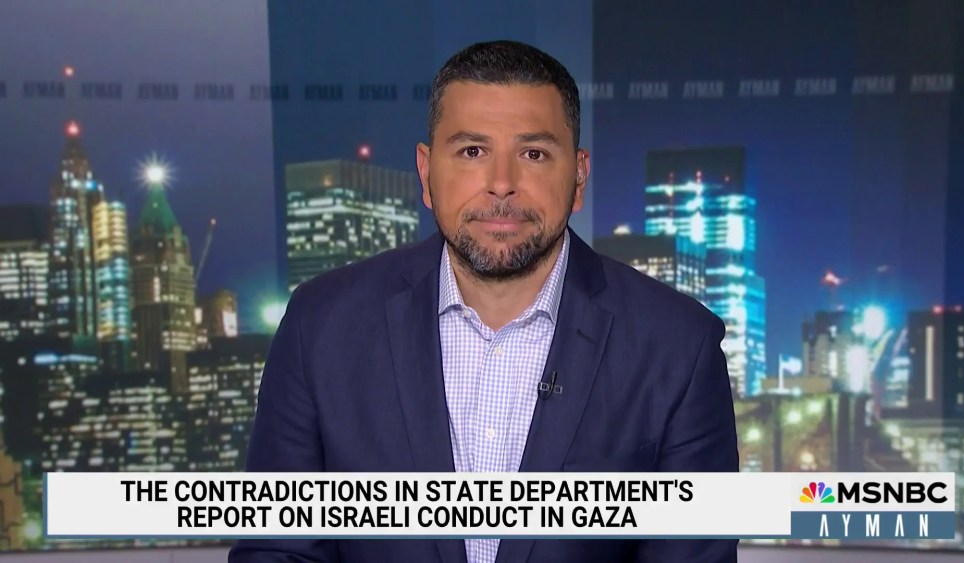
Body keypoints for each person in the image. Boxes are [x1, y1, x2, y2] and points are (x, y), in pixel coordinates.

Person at [230, 39, 738, 563]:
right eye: (472, 151)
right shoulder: (319, 327)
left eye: (533, 154)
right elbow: (276, 550)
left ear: (579, 176)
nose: (501, 184)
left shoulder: (679, 347)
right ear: (426, 173)